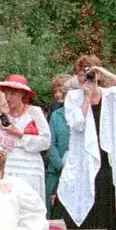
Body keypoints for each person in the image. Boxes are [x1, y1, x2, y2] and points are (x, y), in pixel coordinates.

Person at [57, 58, 116, 230]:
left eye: (88, 75)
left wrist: (104, 72)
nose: (85, 79)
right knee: (84, 196)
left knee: (108, 196)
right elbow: (77, 123)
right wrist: (86, 98)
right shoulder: (73, 97)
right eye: (81, 76)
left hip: (108, 157)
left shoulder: (112, 95)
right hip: (84, 158)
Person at [0, 75, 51, 201]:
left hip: (31, 167)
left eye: (13, 93)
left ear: (22, 94)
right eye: (6, 93)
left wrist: (19, 135)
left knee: (31, 205)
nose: (9, 97)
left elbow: (46, 141)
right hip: (10, 166)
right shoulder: (2, 115)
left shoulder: (35, 112)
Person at [46, 74, 73, 212]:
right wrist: (61, 165)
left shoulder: (85, 114)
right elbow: (50, 143)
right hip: (56, 172)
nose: (58, 95)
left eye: (61, 91)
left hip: (75, 174)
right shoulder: (56, 115)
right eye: (55, 92)